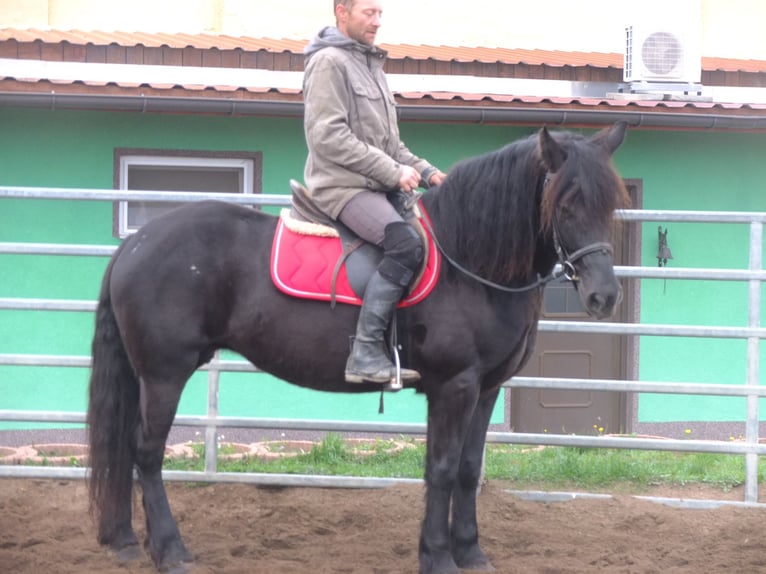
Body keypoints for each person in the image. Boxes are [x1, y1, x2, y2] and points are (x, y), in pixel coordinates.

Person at [302, 0, 446, 385]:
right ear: (342, 10)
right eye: (369, 12)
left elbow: (391, 146)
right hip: (342, 188)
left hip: (376, 185)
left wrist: (428, 172)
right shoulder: (329, 62)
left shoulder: (371, 67)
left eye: (381, 13)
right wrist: (391, 171)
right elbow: (328, 137)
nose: (377, 21)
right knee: (405, 244)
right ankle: (365, 353)